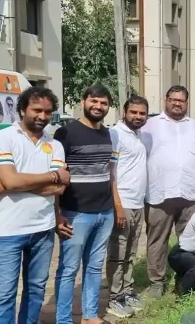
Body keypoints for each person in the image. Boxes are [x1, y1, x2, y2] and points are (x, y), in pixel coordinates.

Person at [0, 86, 70, 324]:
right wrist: (51, 176)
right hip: (7, 232)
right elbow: (49, 181)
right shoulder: (2, 138)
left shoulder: (55, 145)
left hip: (43, 229)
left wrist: (12, 183)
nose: (42, 116)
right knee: (4, 296)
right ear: (22, 110)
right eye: (37, 110)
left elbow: (60, 189)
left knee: (36, 291)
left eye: (48, 112)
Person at [53, 84, 125, 324]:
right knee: (69, 270)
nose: (98, 106)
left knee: (94, 267)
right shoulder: (66, 133)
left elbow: (110, 173)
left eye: (103, 103)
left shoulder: (109, 134)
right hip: (75, 212)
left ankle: (90, 315)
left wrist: (115, 206)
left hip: (104, 212)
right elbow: (56, 175)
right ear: (83, 101)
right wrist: (56, 214)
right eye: (94, 101)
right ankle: (64, 319)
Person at [140, 85, 195, 298]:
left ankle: (187, 278)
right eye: (173, 99)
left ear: (187, 103)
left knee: (191, 241)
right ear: (165, 100)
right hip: (159, 193)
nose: (177, 103)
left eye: (181, 100)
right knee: (157, 240)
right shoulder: (150, 125)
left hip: (193, 195)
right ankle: (156, 281)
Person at [105, 96, 149, 318]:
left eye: (142, 113)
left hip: (138, 203)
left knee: (131, 253)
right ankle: (114, 298)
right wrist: (118, 206)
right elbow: (110, 172)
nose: (138, 116)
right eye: (134, 112)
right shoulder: (116, 134)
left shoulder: (139, 135)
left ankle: (127, 291)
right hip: (123, 204)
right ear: (124, 112)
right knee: (117, 254)